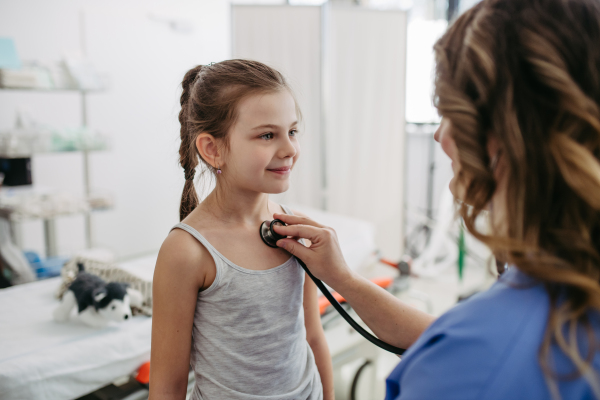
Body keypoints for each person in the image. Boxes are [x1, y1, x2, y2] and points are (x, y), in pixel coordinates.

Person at [272, 0, 600, 398]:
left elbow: (471, 353)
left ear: (506, 133)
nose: (439, 136)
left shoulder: (469, 371)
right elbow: (446, 337)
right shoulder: (564, 274)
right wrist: (342, 278)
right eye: (267, 134)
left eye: (448, 113)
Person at [149, 60, 334, 400]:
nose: (290, 149)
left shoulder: (295, 229)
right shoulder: (187, 252)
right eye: (267, 135)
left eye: (292, 132)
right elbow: (167, 387)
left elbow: (313, 337)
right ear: (213, 149)